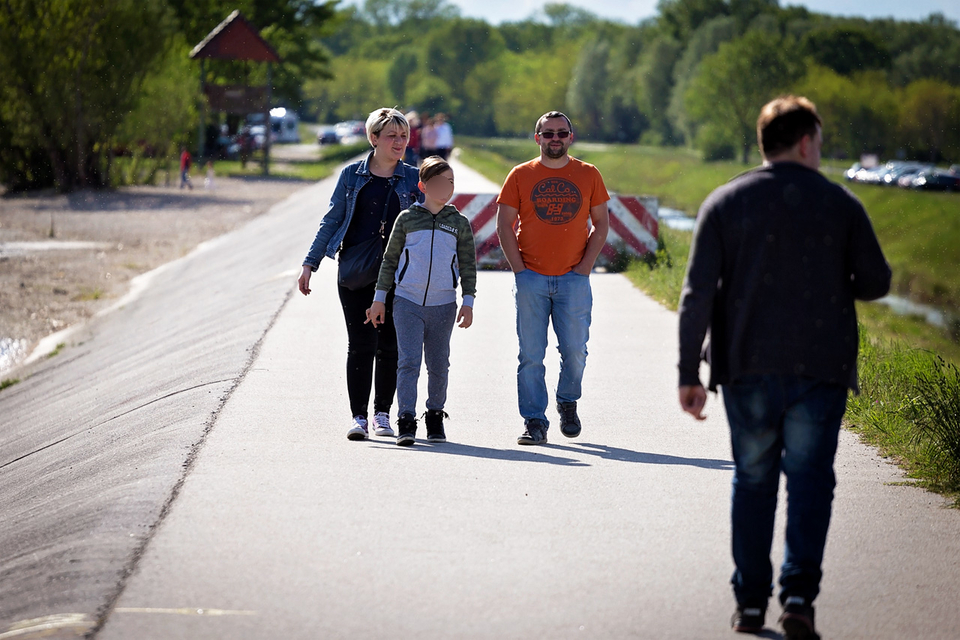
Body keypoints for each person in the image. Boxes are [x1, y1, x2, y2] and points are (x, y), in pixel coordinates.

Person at [677, 96, 891, 640]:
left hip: (745, 368)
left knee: (752, 482)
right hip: (820, 367)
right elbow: (876, 283)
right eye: (818, 141)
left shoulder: (725, 201)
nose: (820, 150)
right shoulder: (839, 204)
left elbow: (696, 293)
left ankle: (750, 605)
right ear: (804, 142)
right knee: (811, 481)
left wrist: (688, 373)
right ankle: (798, 596)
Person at [298, 108, 423, 441]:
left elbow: (429, 223)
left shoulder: (414, 178)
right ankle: (359, 417)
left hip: (399, 274)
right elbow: (332, 220)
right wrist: (310, 263)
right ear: (374, 138)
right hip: (355, 272)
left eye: (403, 136)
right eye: (391, 136)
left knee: (390, 345)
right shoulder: (351, 175)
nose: (399, 142)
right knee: (361, 344)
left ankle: (383, 414)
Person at [495, 110, 610, 445]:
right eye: (548, 134)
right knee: (531, 354)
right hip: (531, 278)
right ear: (537, 138)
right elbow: (505, 225)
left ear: (570, 137)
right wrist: (520, 271)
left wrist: (585, 267)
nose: (555, 139)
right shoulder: (520, 175)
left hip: (574, 280)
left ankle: (567, 400)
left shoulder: (589, 174)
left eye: (561, 133)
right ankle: (534, 421)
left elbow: (601, 223)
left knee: (575, 351)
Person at [365, 156, 477, 446]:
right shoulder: (407, 219)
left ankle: (435, 414)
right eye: (440, 182)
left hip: (443, 305)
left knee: (439, 364)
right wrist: (379, 299)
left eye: (451, 182)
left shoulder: (459, 223)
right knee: (409, 362)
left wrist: (468, 301)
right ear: (423, 185)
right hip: (407, 302)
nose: (446, 187)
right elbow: (390, 261)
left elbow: (467, 264)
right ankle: (405, 418)